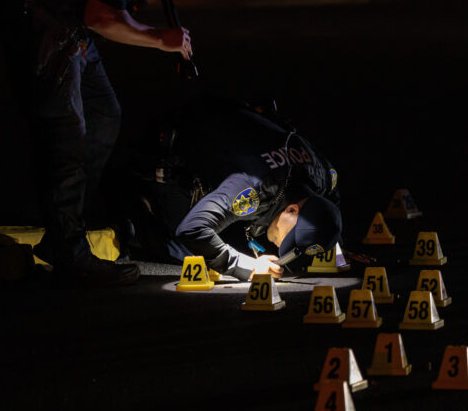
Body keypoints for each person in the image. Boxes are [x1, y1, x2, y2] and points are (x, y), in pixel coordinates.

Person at [0, 0, 232, 287]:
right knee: (68, 131)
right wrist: (161, 39)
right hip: (41, 19)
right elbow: (102, 17)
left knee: (104, 115)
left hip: (67, 24)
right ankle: (69, 252)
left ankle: (65, 229)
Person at [117, 96, 344, 279]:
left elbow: (330, 206)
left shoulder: (324, 176)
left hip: (236, 117)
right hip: (174, 142)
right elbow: (193, 229)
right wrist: (249, 267)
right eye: (289, 237)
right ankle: (129, 219)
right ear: (291, 210)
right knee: (189, 253)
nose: (283, 244)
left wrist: (335, 246)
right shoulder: (252, 192)